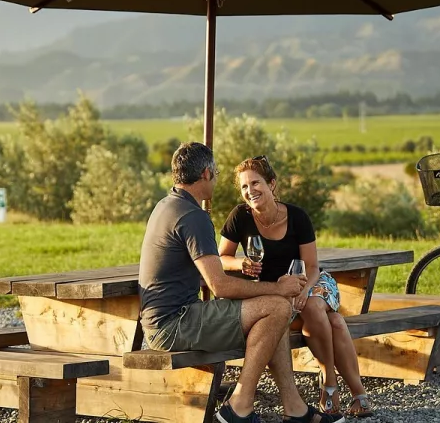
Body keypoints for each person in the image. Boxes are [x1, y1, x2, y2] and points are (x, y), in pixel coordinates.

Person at [139, 142, 345, 423]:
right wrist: (278, 287)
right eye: (217, 172)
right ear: (206, 174)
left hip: (164, 318)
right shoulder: (193, 216)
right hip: (174, 323)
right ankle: (239, 406)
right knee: (277, 307)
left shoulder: (167, 205)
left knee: (274, 313)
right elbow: (220, 287)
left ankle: (294, 409)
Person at [218, 156, 374, 418]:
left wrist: (302, 291)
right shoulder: (239, 217)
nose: (250, 191)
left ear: (271, 184)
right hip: (272, 289)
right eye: (244, 187)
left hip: (311, 282)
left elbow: (312, 267)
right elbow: (221, 258)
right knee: (334, 321)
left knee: (314, 306)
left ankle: (330, 384)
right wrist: (240, 263)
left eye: (256, 183)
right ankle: (358, 395)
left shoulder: (297, 216)